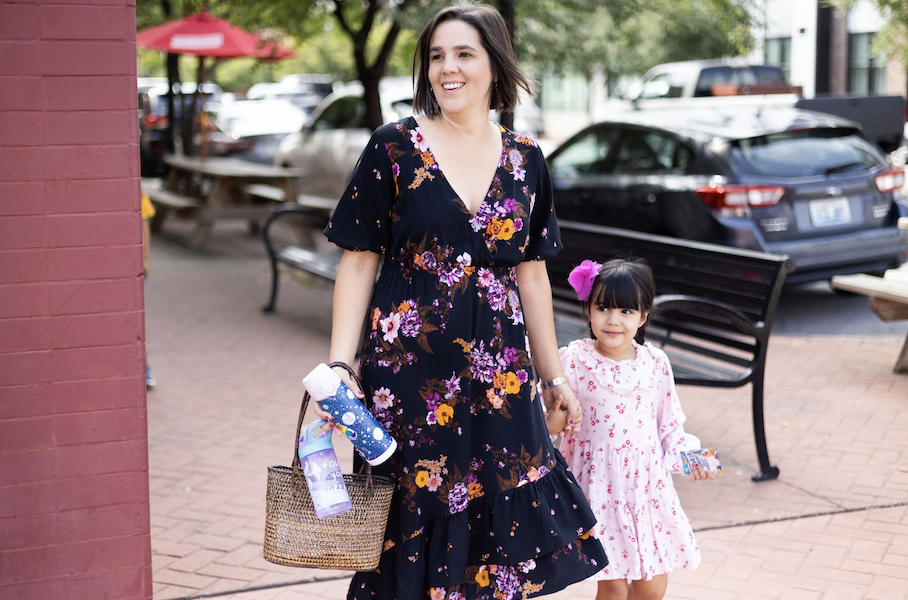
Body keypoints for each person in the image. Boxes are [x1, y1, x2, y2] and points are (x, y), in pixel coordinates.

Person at [312, 3, 607, 599]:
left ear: (495, 66)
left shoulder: (526, 159)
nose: (447, 68)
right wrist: (342, 366)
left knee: (497, 546)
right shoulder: (393, 147)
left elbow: (532, 274)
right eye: (437, 56)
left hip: (502, 380)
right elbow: (359, 259)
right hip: (410, 378)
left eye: (464, 54)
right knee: (408, 525)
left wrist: (554, 377)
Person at [546, 258, 716, 600]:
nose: (613, 319)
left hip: (647, 490)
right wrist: (559, 422)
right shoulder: (573, 361)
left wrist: (695, 459)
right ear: (588, 309)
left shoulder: (655, 363)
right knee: (611, 587)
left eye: (626, 311)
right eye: (604, 307)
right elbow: (547, 422)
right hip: (600, 492)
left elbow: (669, 427)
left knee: (653, 585)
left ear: (643, 316)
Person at [142, 190, 156, 390]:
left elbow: (144, 223)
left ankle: (143, 367)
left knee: (139, 319)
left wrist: (145, 259)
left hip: (135, 263)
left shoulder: (138, 188)